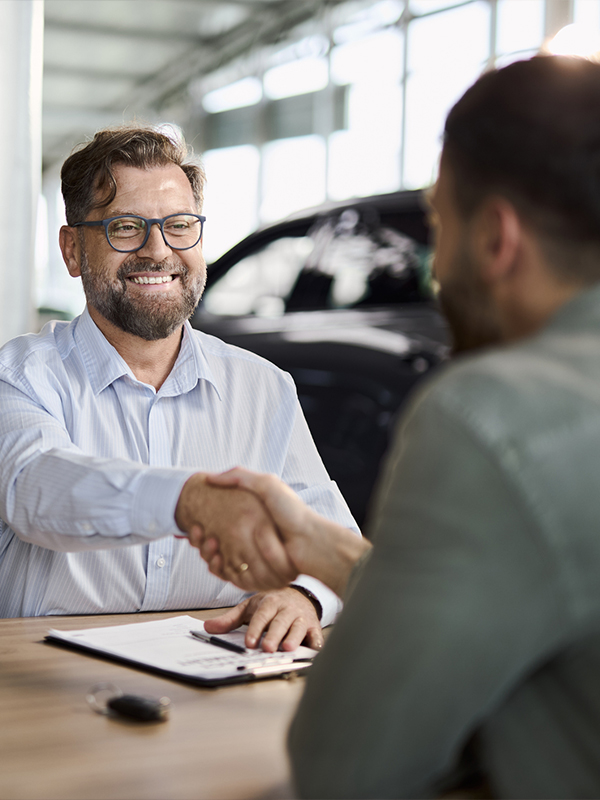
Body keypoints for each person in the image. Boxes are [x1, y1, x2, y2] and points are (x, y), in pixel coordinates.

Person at [191, 56, 600, 797]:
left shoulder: (493, 417)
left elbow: (344, 769)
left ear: (498, 238)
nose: (434, 264)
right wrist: (333, 553)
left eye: (440, 225)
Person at [0, 125, 359, 652]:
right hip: (47, 683)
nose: (158, 250)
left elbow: (336, 543)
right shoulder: (18, 378)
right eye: (126, 227)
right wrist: (188, 501)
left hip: (213, 684)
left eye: (179, 225)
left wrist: (305, 597)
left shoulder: (263, 389)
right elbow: (36, 487)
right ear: (73, 250)